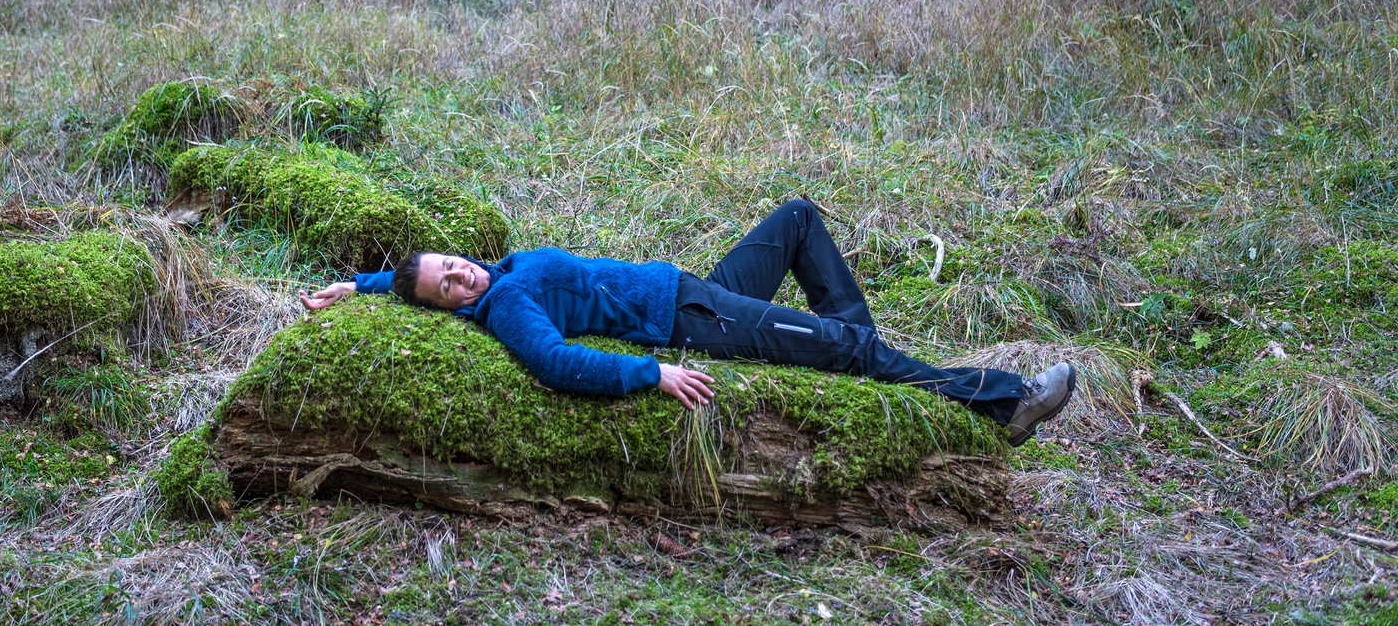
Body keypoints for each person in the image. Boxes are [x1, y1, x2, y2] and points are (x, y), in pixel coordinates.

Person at [301, 199, 1076, 445]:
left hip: (691, 285)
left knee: (799, 219)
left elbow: (405, 281)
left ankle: (864, 357)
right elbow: (555, 365)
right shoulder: (506, 306)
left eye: (452, 264)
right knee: (841, 345)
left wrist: (357, 283)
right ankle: (1005, 403)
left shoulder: (500, 273)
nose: (461, 276)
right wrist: (654, 371)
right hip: (691, 323)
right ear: (452, 307)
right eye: (447, 289)